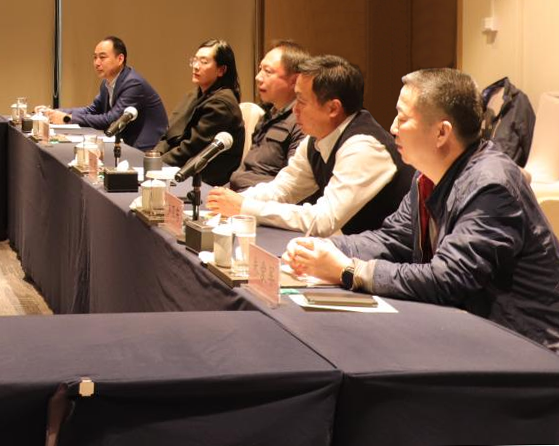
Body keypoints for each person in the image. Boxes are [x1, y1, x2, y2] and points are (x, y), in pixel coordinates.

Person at [285, 68, 559, 352]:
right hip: (471, 333)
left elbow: (448, 278)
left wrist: (349, 270)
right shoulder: (426, 177)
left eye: (402, 118)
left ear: (441, 132)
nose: (393, 128)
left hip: (529, 348)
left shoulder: (491, 184)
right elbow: (391, 239)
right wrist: (322, 248)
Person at [207, 55, 408, 236]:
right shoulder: (317, 138)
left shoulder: (364, 147)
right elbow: (284, 189)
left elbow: (324, 220)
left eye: (302, 101)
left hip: (384, 255)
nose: (295, 109)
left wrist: (245, 207)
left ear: (333, 108)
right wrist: (232, 201)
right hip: (350, 245)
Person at [44, 36, 168, 150]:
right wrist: (56, 113)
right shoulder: (106, 83)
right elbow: (92, 110)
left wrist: (68, 119)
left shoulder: (133, 83)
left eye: (102, 57)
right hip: (127, 140)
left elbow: (111, 120)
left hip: (147, 146)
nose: (97, 63)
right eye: (95, 57)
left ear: (120, 59)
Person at [152, 39, 245, 186]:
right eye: (194, 60)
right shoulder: (193, 95)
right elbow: (169, 135)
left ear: (221, 70)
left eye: (204, 62)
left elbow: (191, 149)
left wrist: (157, 166)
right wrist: (154, 157)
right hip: (179, 167)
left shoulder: (221, 104)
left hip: (204, 178)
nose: (196, 66)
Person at [227, 41, 308, 190]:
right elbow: (248, 170)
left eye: (268, 71)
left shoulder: (302, 122)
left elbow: (292, 185)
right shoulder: (269, 115)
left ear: (294, 80)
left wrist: (241, 200)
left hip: (256, 200)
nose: (258, 77)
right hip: (235, 191)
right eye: (260, 69)